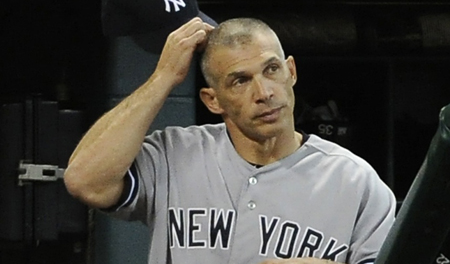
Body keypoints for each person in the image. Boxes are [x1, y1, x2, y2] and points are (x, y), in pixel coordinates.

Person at [64, 17, 396, 264]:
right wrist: (163, 77)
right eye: (240, 81)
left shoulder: (356, 182)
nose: (264, 93)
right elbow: (85, 181)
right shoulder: (174, 154)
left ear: (291, 71)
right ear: (213, 100)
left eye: (271, 70)